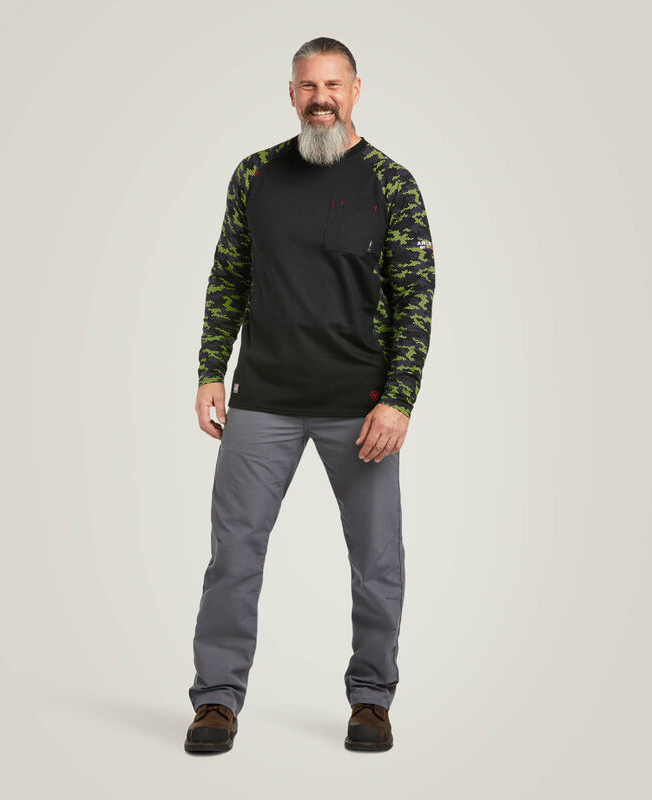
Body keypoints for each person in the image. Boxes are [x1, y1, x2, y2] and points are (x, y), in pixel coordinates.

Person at [185, 36, 436, 754]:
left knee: (377, 560)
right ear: (291, 94)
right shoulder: (255, 174)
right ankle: (216, 699)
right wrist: (210, 369)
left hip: (360, 406)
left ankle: (371, 700)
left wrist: (399, 400)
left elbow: (417, 296)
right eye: (307, 86)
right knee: (233, 554)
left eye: (332, 85)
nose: (320, 98)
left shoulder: (391, 183)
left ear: (355, 90)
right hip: (262, 398)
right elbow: (228, 275)